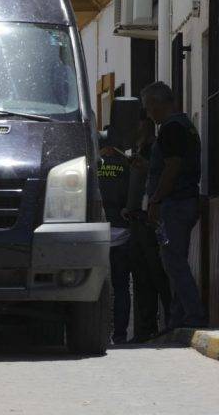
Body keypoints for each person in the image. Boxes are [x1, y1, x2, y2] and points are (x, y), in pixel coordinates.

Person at [142, 81, 206, 330]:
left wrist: (155, 199)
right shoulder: (186, 126)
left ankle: (193, 317)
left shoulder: (171, 129)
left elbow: (172, 168)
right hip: (185, 201)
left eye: (149, 107)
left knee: (173, 263)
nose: (149, 113)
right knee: (175, 261)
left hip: (175, 204)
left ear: (159, 103)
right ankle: (177, 320)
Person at [123, 114, 171, 341]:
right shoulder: (137, 152)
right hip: (135, 220)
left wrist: (147, 165)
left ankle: (172, 319)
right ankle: (145, 328)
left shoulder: (154, 150)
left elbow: (162, 176)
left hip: (148, 221)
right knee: (141, 276)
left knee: (157, 273)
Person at [98, 137, 133, 344]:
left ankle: (98, 332)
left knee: (97, 285)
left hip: (97, 231)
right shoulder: (127, 165)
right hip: (122, 231)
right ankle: (119, 335)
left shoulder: (90, 165)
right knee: (121, 287)